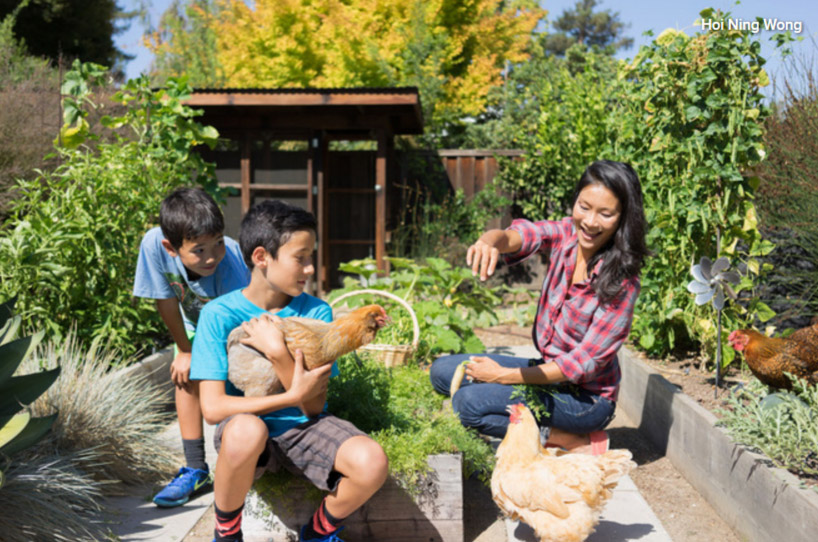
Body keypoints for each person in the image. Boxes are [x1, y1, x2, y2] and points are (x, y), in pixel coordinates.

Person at [190, 200, 388, 542]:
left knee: (372, 462)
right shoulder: (219, 315)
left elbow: (312, 407)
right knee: (246, 432)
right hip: (245, 432)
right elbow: (213, 409)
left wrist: (279, 354)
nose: (310, 268)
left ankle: (318, 531)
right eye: (301, 257)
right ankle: (226, 533)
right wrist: (294, 393)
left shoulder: (317, 313)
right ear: (261, 257)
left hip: (303, 426)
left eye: (311, 257)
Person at [430, 160, 649, 455]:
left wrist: (501, 377)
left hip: (585, 400)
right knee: (443, 371)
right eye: (584, 207)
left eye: (605, 214)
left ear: (623, 218)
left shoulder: (623, 282)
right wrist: (489, 241)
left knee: (468, 405)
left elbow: (578, 365)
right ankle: (522, 417)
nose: (590, 222)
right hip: (547, 375)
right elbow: (519, 234)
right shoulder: (567, 235)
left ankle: (572, 440)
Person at [133, 187, 250, 507]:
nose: (212, 256)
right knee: (184, 376)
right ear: (171, 247)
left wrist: (203, 359)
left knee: (233, 388)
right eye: (199, 250)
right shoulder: (154, 245)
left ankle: (244, 460)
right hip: (194, 324)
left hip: (239, 327)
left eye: (218, 243)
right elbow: (166, 301)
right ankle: (196, 468)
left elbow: (239, 324)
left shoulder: (230, 265)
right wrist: (185, 351)